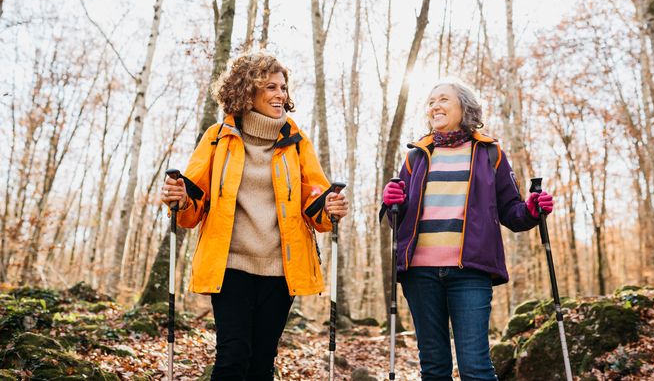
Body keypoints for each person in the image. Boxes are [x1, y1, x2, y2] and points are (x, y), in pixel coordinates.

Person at [161, 51, 348, 380]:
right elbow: (192, 205)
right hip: (231, 266)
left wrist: (331, 208)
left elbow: (315, 203)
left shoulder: (296, 142)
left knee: (262, 360)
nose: (281, 95)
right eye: (271, 87)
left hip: (281, 270)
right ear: (248, 91)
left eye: (283, 87)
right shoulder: (217, 138)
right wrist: (178, 197)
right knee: (233, 356)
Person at [381, 80, 553, 381]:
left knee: (475, 366)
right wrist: (392, 203)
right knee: (434, 368)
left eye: (443, 99)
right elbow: (399, 216)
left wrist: (531, 209)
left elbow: (512, 212)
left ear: (464, 106)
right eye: (431, 101)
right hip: (420, 273)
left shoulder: (489, 153)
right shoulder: (416, 156)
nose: (434, 106)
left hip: (470, 271)